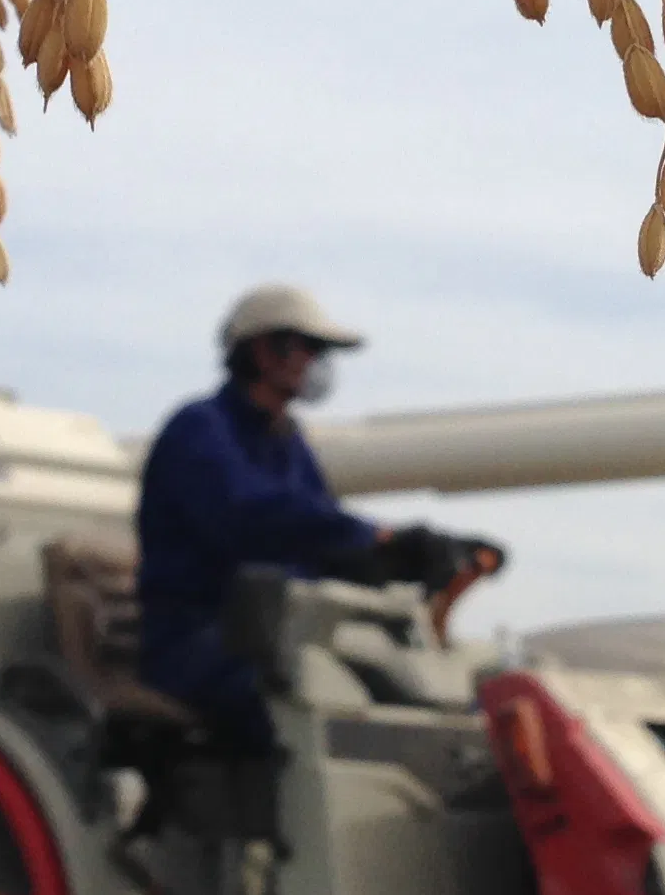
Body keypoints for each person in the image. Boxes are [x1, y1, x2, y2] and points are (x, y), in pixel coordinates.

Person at [134, 286, 500, 750]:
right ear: (263, 351)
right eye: (307, 347)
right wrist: (376, 538)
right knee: (313, 702)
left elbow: (320, 531)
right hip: (197, 642)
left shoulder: (286, 440)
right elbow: (254, 518)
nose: (315, 362)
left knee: (415, 689)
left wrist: (398, 557)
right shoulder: (199, 430)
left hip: (278, 632)